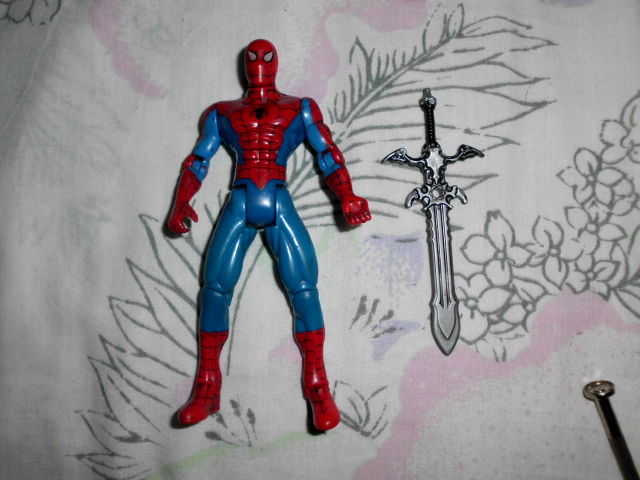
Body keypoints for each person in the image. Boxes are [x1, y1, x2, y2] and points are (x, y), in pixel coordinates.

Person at [167, 39, 371, 431]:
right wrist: (181, 202)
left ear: (276, 63)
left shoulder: (301, 108)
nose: (259, 62)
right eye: (253, 58)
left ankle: (318, 387)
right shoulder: (221, 113)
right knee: (214, 290)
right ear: (245, 64)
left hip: (277, 199)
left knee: (304, 289)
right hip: (242, 200)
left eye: (266, 57)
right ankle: (207, 386)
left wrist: (347, 195)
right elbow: (198, 160)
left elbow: (327, 154)